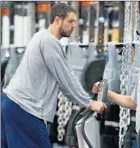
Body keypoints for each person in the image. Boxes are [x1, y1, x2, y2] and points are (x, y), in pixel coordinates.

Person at [1, 3, 106, 148]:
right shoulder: (49, 41)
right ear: (57, 20)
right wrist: (90, 103)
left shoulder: (41, 37)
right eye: (70, 21)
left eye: (75, 21)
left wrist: (87, 95)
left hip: (12, 104)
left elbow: (63, 80)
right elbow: (66, 79)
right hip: (24, 109)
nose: (74, 25)